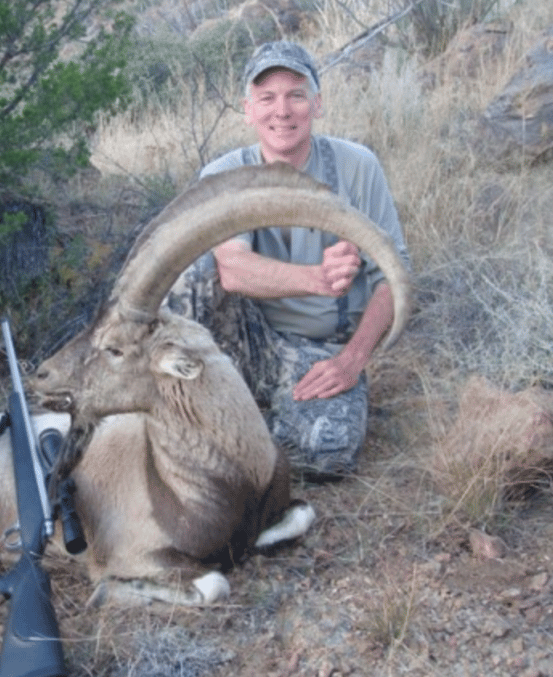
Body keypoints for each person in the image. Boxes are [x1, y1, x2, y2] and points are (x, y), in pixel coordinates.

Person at [165, 40, 412, 479]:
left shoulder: (357, 167)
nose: (283, 110)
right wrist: (318, 278)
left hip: (321, 350)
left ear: (317, 104)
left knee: (328, 454)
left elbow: (394, 275)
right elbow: (233, 269)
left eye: (296, 95)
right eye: (267, 98)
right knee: (193, 271)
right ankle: (176, 405)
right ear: (248, 109)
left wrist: (352, 360)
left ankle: (232, 436)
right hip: (244, 338)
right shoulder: (222, 175)